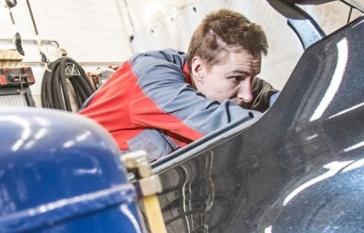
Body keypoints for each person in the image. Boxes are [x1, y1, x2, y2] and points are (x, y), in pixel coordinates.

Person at [80, 9, 275, 160]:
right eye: (236, 79)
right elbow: (222, 124)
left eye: (251, 77)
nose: (247, 94)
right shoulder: (153, 81)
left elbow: (274, 98)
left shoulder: (213, 71)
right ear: (198, 69)